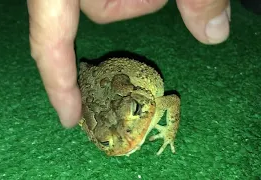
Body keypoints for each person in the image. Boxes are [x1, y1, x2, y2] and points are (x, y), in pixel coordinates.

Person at [26, 0, 230, 128]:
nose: (128, 137)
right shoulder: (102, 124)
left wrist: (169, 131)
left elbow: (172, 100)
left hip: (121, 82)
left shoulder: (147, 104)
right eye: (105, 141)